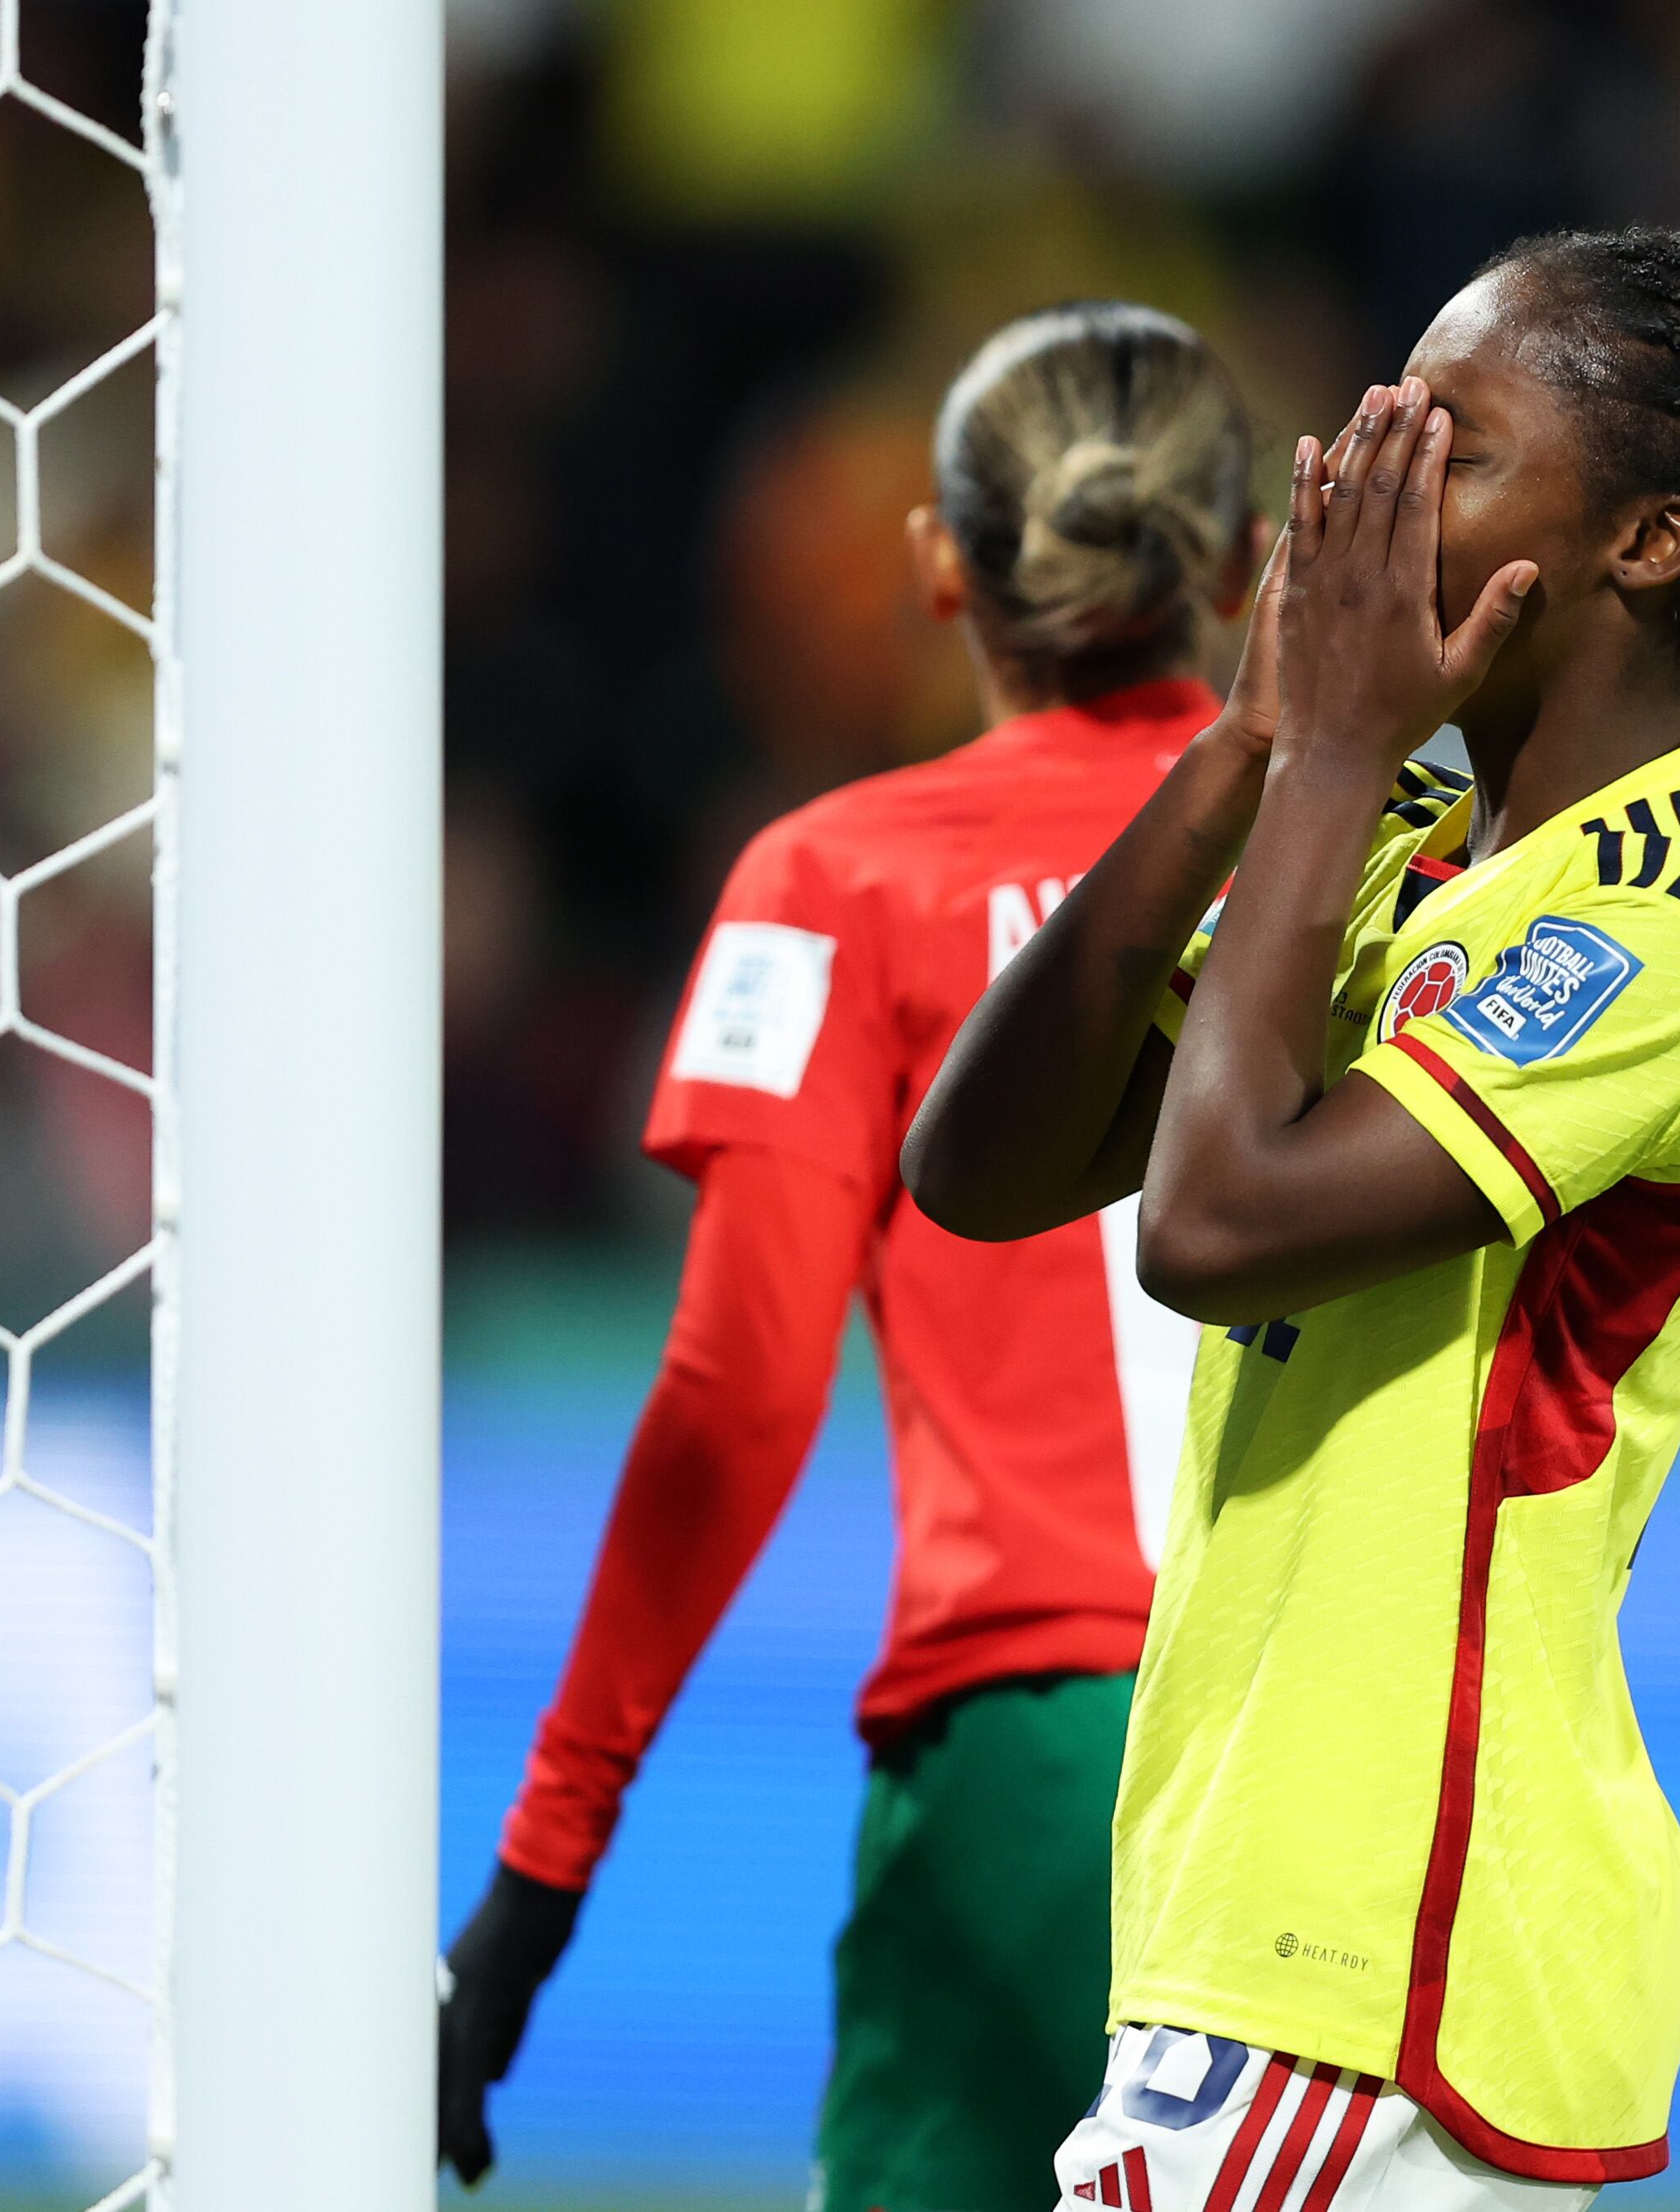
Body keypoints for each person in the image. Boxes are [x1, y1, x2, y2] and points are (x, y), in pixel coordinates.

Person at [904, 226, 1680, 2208]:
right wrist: (1256, 741)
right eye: (1377, 420)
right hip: (1291, 1928)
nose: (1360, 477)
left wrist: (1324, 757)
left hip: (1372, 1938)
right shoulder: (1408, 853)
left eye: (1453, 441)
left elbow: (1212, 1218)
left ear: (1648, 544)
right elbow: (979, 1166)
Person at [435, 301, 1260, 2212]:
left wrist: (539, 1880)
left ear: (935, 566)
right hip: (1345, 1754)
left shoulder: (839, 882)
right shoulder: (1409, 862)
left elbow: (734, 1401)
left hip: (1036, 1757)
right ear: (1235, 561)